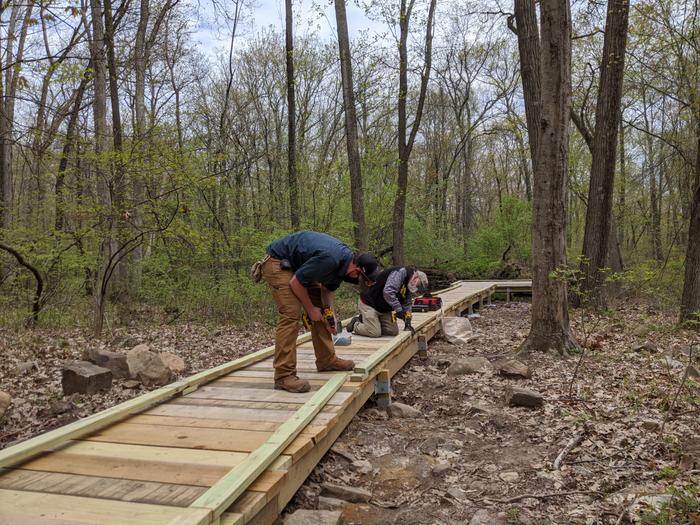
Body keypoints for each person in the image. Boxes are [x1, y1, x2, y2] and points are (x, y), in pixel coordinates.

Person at [255, 231, 379, 393]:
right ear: (356, 269)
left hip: (298, 267)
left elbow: (326, 291)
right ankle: (283, 376)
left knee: (321, 311)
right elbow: (296, 283)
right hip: (278, 262)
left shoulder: (342, 266)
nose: (358, 281)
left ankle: (326, 360)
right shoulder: (331, 259)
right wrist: (311, 310)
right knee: (290, 314)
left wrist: (330, 317)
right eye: (361, 278)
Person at [348, 267, 429, 337]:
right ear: (416, 278)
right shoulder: (400, 273)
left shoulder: (409, 283)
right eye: (418, 285)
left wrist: (408, 317)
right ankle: (356, 323)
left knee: (393, 332)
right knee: (374, 333)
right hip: (369, 303)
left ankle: (371, 322)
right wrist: (398, 309)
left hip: (383, 308)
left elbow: (407, 301)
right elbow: (388, 292)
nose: (417, 288)